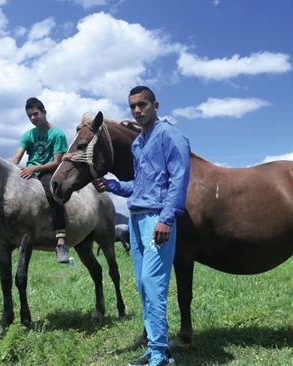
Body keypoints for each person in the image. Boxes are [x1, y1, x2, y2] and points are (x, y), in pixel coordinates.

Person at [93, 86, 191, 366]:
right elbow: (141, 185)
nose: (137, 110)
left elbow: (178, 180)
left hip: (156, 219)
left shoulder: (171, 136)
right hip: (136, 219)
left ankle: (160, 355)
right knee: (141, 284)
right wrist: (112, 185)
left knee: (153, 282)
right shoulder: (139, 143)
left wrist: (166, 218)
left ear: (155, 105)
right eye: (132, 106)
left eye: (142, 105)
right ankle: (154, 346)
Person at [0, 97, 70, 272]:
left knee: (54, 194)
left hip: (48, 172)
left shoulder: (57, 134)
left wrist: (35, 168)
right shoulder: (28, 135)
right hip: (29, 171)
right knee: (4, 199)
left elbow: (57, 162)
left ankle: (61, 243)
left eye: (35, 114)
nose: (33, 118)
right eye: (30, 116)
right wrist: (8, 173)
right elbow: (16, 158)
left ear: (44, 112)